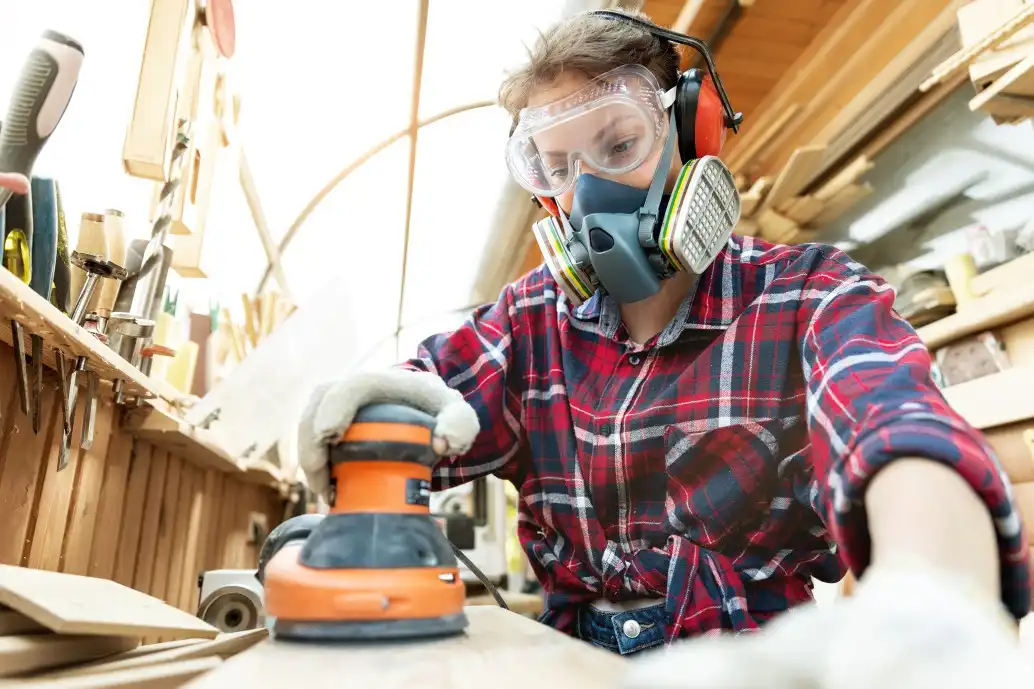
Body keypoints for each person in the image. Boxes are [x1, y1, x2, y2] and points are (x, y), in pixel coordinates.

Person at [297, 8, 1034, 686]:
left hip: (754, 665)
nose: (586, 193)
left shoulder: (808, 299)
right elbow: (416, 403)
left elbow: (894, 425)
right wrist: (373, 417)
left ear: (693, 132)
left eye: (618, 145)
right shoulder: (527, 326)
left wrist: (932, 600)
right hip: (569, 664)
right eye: (556, 168)